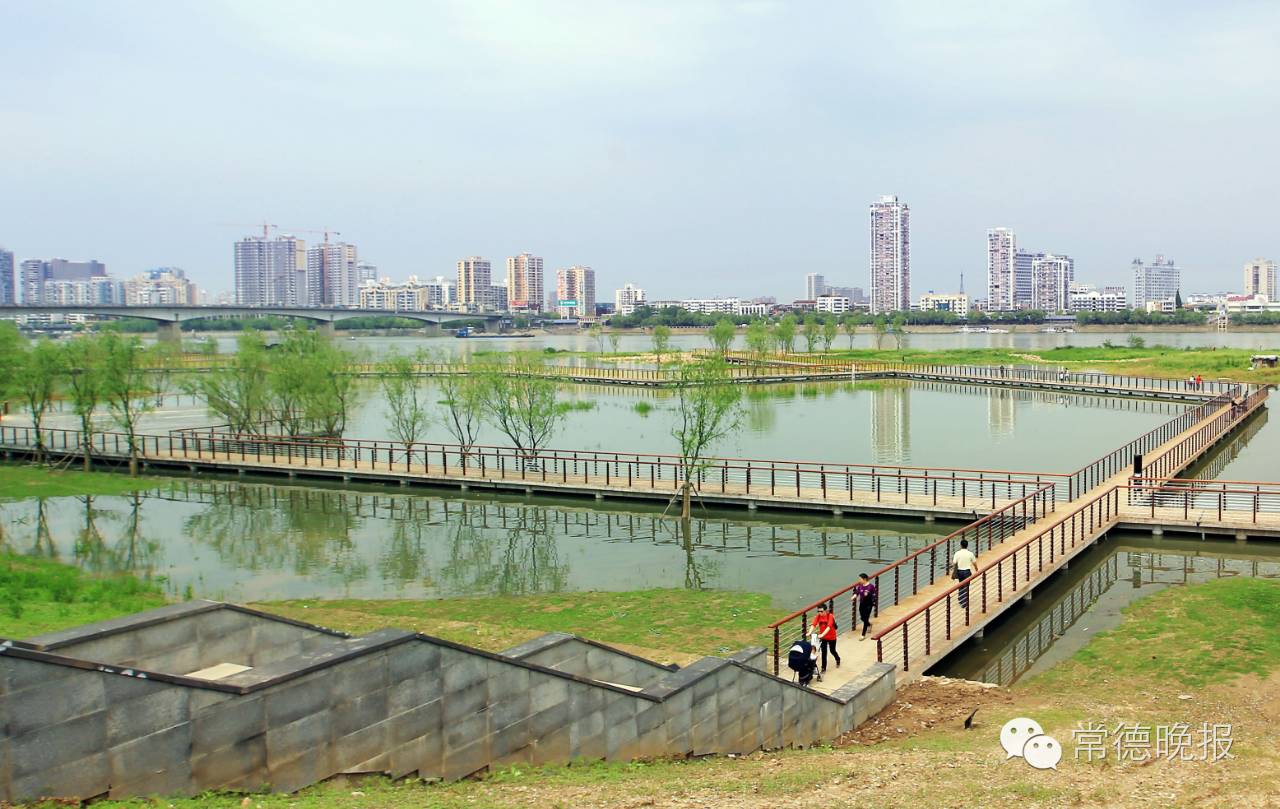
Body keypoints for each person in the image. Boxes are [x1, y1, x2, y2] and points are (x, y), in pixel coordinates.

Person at [812, 604, 840, 671]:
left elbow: (829, 627)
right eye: (818, 611)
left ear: (825, 610)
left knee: (832, 650)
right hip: (824, 638)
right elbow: (814, 624)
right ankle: (823, 668)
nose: (820, 613)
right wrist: (809, 632)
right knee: (824, 652)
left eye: (821, 611)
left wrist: (822, 635)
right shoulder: (818, 616)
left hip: (831, 637)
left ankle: (838, 659)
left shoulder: (830, 616)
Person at [952, 539, 979, 609]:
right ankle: (964, 602)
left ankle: (961, 599)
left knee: (961, 585)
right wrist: (976, 569)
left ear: (960, 545)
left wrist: (953, 572)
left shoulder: (957, 553)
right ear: (967, 545)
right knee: (966, 586)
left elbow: (954, 563)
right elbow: (974, 563)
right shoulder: (970, 553)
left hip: (959, 571)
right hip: (967, 572)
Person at [852, 573, 878, 639]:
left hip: (869, 604)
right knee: (862, 618)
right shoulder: (860, 586)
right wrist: (854, 596)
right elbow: (857, 592)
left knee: (866, 618)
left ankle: (863, 635)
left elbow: (874, 595)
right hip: (862, 603)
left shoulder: (871, 586)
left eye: (860, 579)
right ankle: (869, 624)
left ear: (864, 579)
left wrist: (869, 596)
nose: (859, 580)